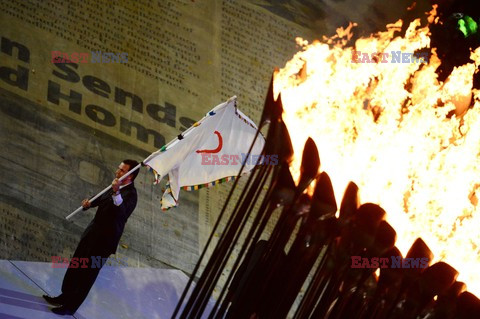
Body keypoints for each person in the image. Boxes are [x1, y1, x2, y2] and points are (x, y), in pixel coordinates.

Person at [43, 159, 139, 315]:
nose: (117, 172)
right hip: (92, 233)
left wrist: (116, 192)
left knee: (87, 274)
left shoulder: (131, 195)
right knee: (76, 266)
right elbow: (102, 197)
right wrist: (90, 203)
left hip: (104, 242)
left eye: (122, 170)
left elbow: (122, 213)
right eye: (118, 168)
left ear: (130, 175)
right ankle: (64, 296)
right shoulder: (115, 185)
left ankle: (70, 307)